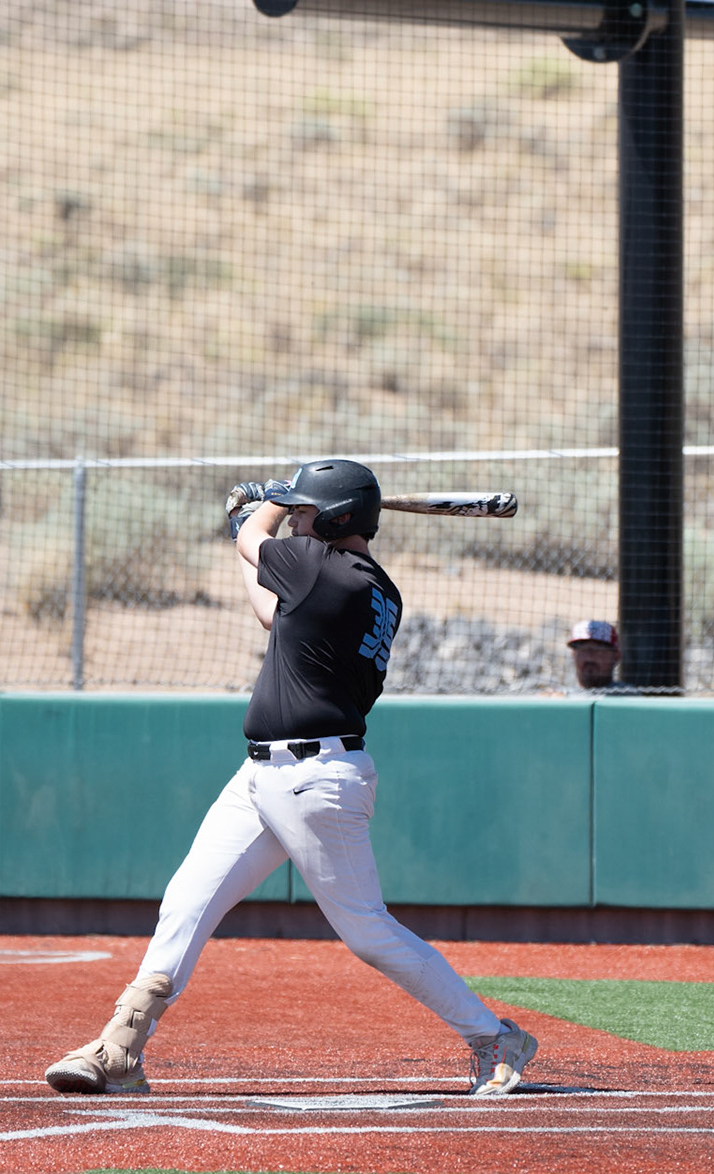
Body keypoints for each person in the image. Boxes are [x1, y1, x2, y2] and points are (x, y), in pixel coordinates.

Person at [44, 459, 539, 1098]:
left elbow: (258, 541)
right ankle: (120, 1047)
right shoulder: (361, 582)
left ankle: (494, 1037)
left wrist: (267, 503)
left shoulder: (324, 569)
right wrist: (254, 520)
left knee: (367, 931)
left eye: (308, 512)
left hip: (316, 779)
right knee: (187, 900)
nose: (298, 521)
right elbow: (268, 609)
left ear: (334, 518)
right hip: (263, 775)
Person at [566, 619, 638, 694]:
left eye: (598, 650)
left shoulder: (628, 696)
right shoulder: (564, 697)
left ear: (616, 656)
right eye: (583, 650)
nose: (589, 657)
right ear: (573, 654)